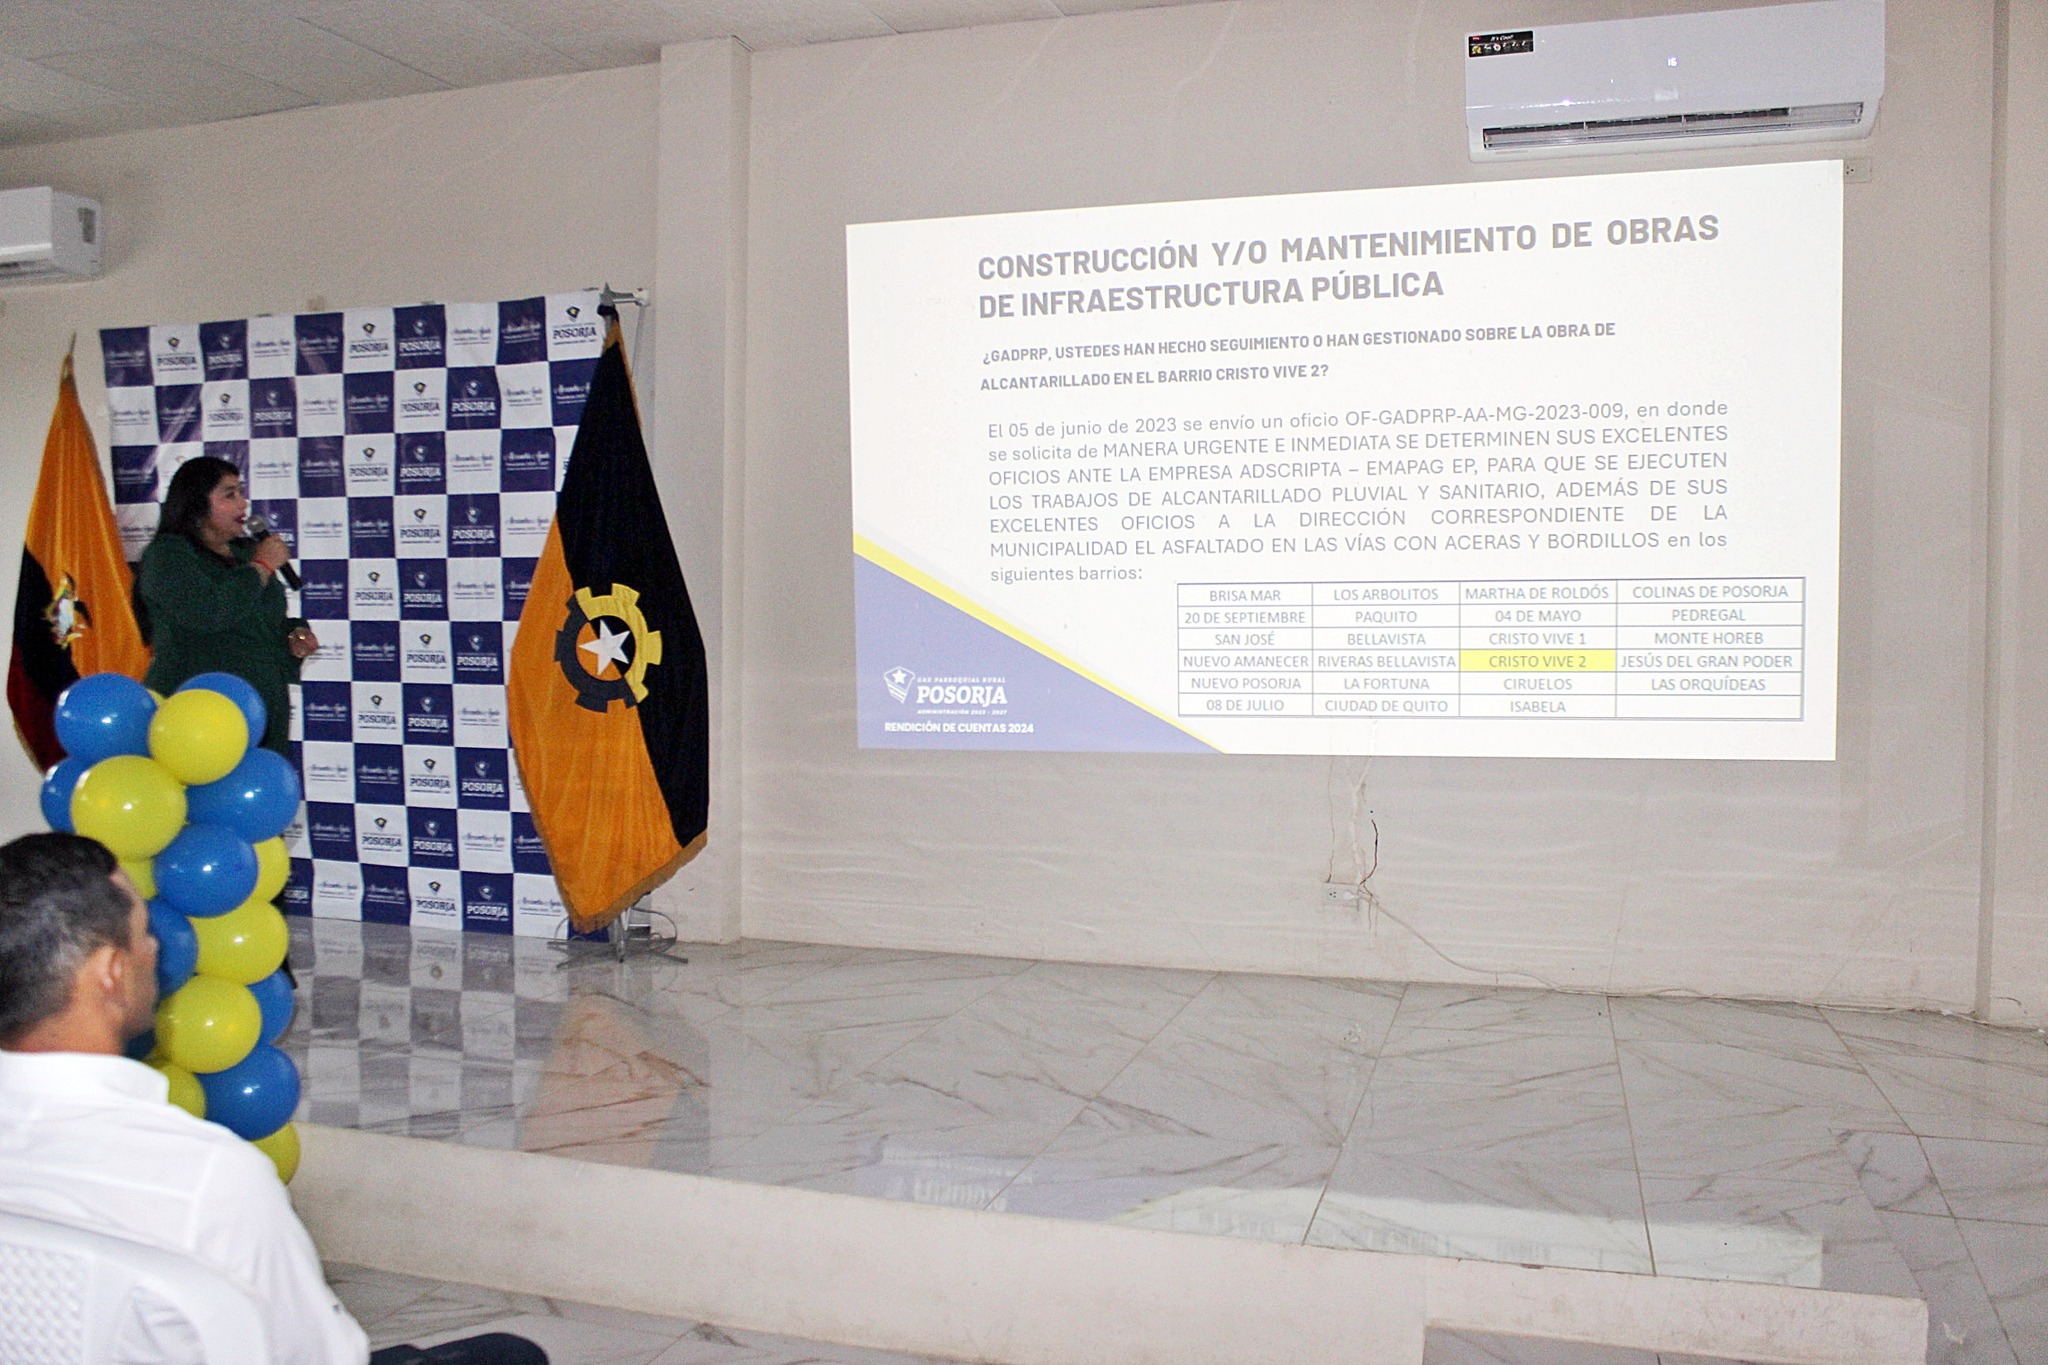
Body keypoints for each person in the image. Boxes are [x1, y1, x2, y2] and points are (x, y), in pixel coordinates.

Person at [0, 831, 546, 1365]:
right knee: (510, 1356)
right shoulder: (206, 1176)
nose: (155, 948)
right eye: (143, 932)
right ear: (113, 975)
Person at [134, 456, 318, 757]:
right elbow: (210, 612)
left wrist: (293, 634)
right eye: (229, 495)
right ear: (196, 503)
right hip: (199, 712)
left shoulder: (245, 553)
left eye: (241, 493)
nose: (243, 504)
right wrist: (262, 566)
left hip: (260, 706)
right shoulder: (168, 555)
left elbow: (258, 620)